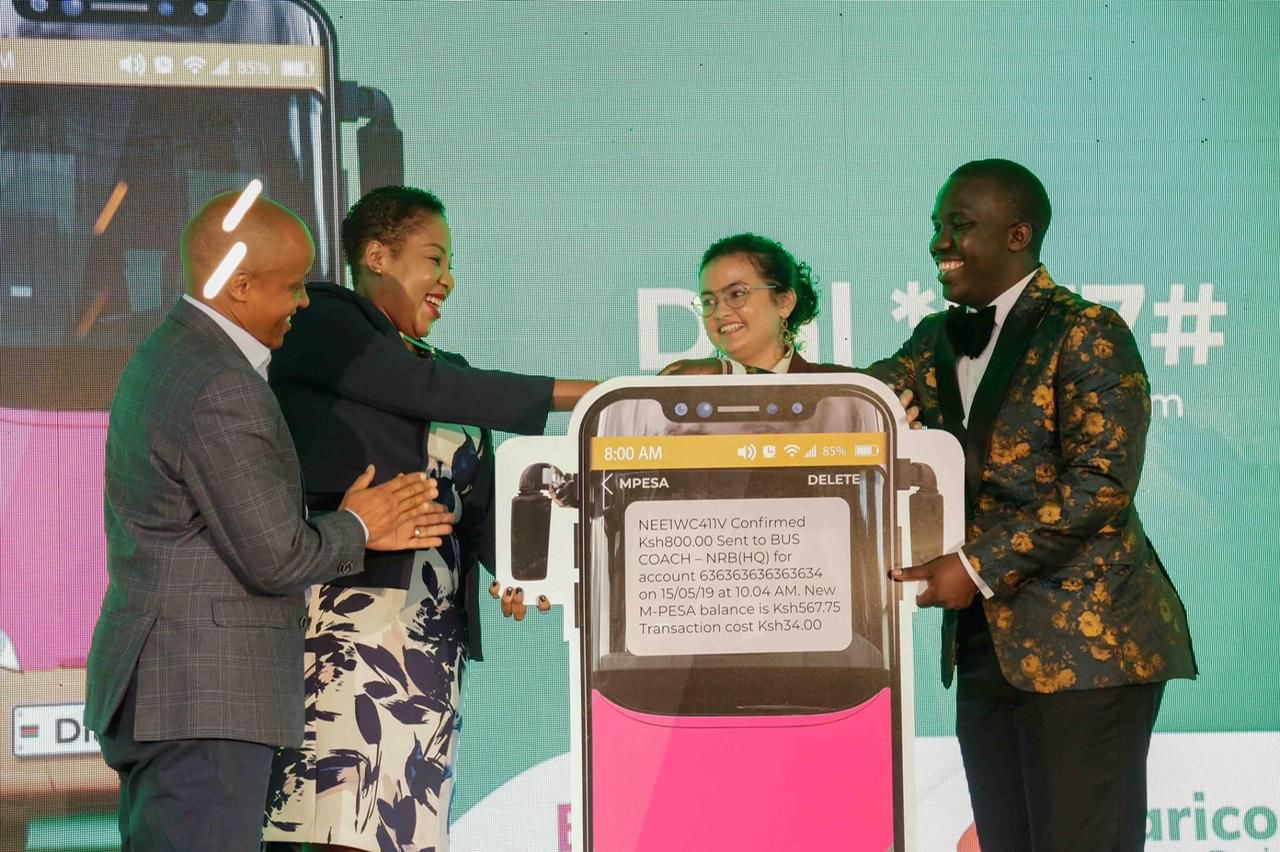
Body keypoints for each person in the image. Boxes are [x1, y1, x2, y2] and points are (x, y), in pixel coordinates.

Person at [83, 191, 451, 852]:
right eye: (292, 287)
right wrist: (359, 524)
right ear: (240, 285)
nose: (304, 303)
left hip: (173, 694)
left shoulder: (170, 353)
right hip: (205, 702)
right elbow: (277, 558)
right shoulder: (221, 384)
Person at [869, 159, 1196, 851]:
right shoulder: (935, 338)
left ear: (1018, 235)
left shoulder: (1086, 330)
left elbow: (1101, 484)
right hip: (985, 647)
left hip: (1088, 648)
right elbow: (854, 401)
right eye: (937, 225)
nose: (939, 242)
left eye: (960, 225)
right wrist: (744, 380)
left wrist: (974, 566)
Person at [262, 186, 595, 852]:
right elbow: (419, 389)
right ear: (377, 256)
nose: (448, 279)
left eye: (450, 264)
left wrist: (525, 573)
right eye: (434, 258)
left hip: (430, 639)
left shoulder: (453, 372)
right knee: (336, 824)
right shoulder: (324, 320)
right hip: (345, 625)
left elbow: (481, 513)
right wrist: (599, 394)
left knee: (403, 830)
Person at [661, 232, 853, 375]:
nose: (719, 313)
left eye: (736, 294)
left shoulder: (844, 389)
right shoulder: (687, 392)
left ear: (784, 302)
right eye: (708, 301)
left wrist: (731, 372)